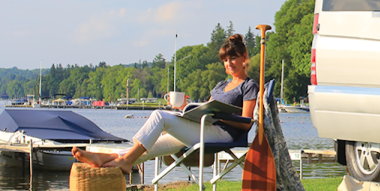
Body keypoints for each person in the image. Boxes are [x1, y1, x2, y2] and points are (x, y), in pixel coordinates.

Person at [72, 34, 259, 174]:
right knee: (150, 146)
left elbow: (246, 122)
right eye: (225, 60)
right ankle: (106, 158)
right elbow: (206, 109)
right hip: (202, 129)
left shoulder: (248, 85)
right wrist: (187, 110)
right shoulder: (221, 85)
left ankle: (126, 162)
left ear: (244, 58)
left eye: (232, 58)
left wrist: (219, 116)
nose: (229, 64)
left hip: (223, 135)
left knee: (159, 115)